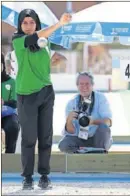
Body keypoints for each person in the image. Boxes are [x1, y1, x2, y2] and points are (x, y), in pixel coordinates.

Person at [12, 9, 71, 190]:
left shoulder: (46, 42)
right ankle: (27, 177)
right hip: (26, 95)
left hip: (46, 92)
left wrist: (51, 63)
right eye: (25, 23)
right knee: (29, 139)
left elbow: (46, 55)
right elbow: (34, 39)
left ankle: (44, 176)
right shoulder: (18, 40)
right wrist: (60, 24)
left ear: (36, 23)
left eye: (31, 22)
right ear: (20, 25)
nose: (28, 26)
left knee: (46, 137)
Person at [58, 72, 113, 153]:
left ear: (92, 85)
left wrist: (93, 121)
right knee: (63, 144)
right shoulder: (71, 103)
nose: (84, 87)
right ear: (77, 86)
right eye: (81, 84)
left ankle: (95, 151)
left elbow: (108, 122)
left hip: (97, 139)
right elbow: (71, 132)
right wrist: (69, 121)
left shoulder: (101, 98)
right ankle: (88, 152)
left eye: (87, 84)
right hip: (79, 140)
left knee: (104, 128)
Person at [1, 53, 20, 153]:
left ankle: (9, 154)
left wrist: (4, 102)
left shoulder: (11, 81)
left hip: (8, 114)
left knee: (13, 126)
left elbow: (15, 102)